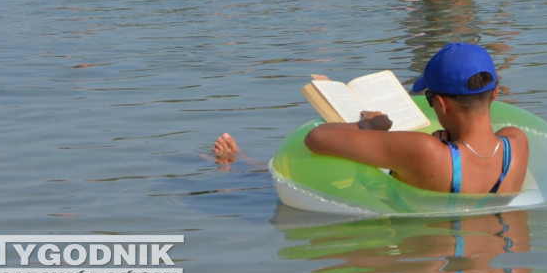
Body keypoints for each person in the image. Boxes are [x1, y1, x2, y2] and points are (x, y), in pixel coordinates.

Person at [213, 42, 529, 196]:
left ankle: (237, 165)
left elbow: (317, 139)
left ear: (441, 104)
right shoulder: (517, 143)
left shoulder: (425, 151)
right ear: (496, 94)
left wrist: (367, 127)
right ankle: (241, 164)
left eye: (430, 100)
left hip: (420, 245)